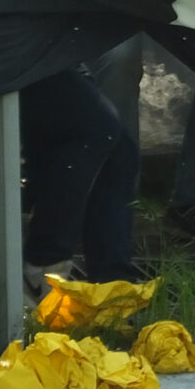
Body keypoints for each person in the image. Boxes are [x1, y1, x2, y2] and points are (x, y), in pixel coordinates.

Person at [19, 66, 142, 297]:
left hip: (40, 55)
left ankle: (113, 289)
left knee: (120, 151)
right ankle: (43, 266)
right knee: (96, 127)